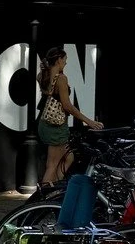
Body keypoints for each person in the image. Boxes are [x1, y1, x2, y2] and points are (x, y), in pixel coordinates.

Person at [36, 47, 103, 186]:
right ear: (59, 60)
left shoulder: (42, 76)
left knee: (69, 157)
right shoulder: (61, 79)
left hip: (46, 124)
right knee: (52, 165)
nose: (65, 63)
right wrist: (89, 121)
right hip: (56, 127)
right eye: (65, 60)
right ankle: (44, 198)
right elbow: (67, 106)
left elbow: (46, 90)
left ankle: (54, 188)